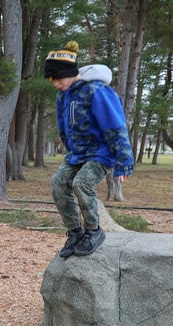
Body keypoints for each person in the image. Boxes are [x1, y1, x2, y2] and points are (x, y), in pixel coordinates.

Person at [44, 41, 134, 258]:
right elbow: (63, 123)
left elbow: (115, 125)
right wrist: (69, 147)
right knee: (57, 183)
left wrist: (123, 162)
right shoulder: (64, 94)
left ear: (69, 72)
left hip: (100, 152)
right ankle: (75, 232)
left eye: (57, 78)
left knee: (81, 183)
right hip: (77, 154)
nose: (55, 83)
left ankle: (93, 231)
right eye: (51, 80)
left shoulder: (97, 90)